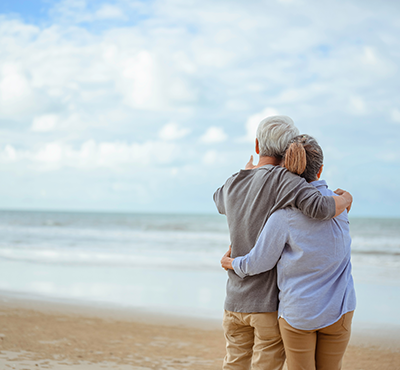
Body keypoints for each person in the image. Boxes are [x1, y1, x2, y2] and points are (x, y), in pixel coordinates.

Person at [213, 116, 353, 370]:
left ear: (257, 145)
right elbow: (321, 207)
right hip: (265, 304)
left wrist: (246, 172)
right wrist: (345, 199)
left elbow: (219, 200)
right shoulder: (285, 180)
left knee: (233, 364)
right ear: (290, 150)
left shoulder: (235, 181)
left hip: (233, 300)